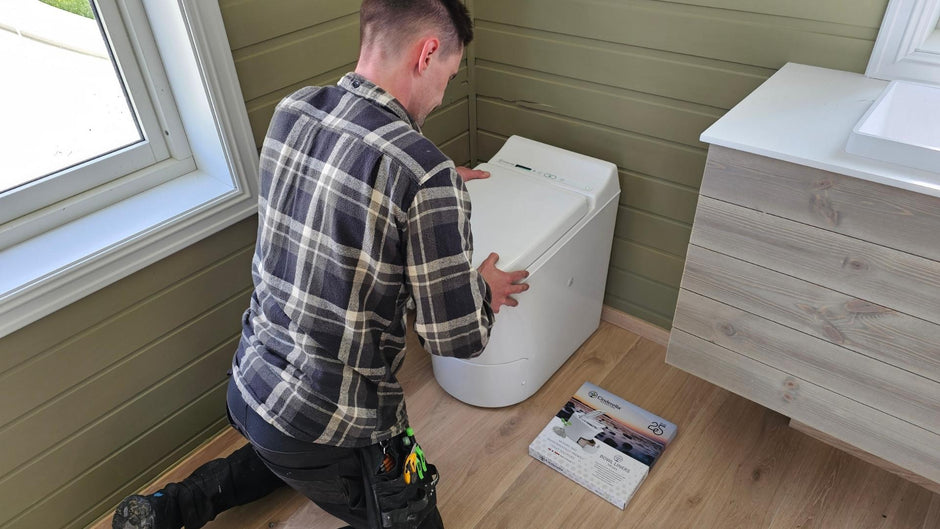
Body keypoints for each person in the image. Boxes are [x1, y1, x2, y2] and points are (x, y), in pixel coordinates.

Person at [111, 1, 529, 528]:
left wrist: (433, 196)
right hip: (337, 424)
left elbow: (337, 201)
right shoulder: (426, 176)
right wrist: (482, 287)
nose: (443, 94)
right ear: (427, 53)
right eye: (448, 74)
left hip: (251, 387)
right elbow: (456, 341)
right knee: (408, 503)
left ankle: (164, 510)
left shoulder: (295, 109)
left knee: (286, 449)